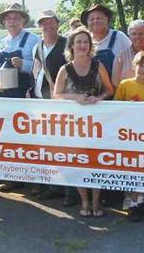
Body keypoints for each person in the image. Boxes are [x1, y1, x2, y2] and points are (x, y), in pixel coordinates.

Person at [54, 26, 114, 217]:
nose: (82, 45)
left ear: (90, 46)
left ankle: (96, 202)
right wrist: (75, 98)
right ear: (71, 45)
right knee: (79, 163)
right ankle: (84, 201)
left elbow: (109, 90)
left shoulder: (99, 66)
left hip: (97, 124)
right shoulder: (65, 69)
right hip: (74, 125)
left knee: (96, 162)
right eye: (78, 42)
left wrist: (99, 98)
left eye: (85, 42)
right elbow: (56, 95)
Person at [0, 3, 40, 192]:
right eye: (9, 18)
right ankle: (12, 177)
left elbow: (40, 67)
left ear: (23, 20)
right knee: (9, 138)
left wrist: (24, 64)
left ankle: (36, 180)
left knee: (30, 138)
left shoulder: (33, 40)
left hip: (26, 96)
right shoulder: (0, 43)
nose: (12, 21)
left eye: (16, 18)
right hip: (5, 97)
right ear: (4, 21)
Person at [31, 9, 75, 205]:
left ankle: (71, 191)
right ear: (39, 26)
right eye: (43, 23)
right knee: (48, 149)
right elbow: (36, 71)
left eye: (51, 22)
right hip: (42, 103)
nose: (47, 26)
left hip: (61, 104)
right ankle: (54, 187)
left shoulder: (67, 44)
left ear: (57, 23)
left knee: (65, 149)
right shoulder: (37, 46)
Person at [113, 51, 144, 222]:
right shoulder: (125, 85)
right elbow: (115, 107)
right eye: (141, 65)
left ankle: (141, 203)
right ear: (134, 66)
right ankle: (131, 204)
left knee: (143, 168)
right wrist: (129, 106)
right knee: (130, 168)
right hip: (128, 134)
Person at [80, 4, 131, 77]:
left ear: (107, 19)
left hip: (119, 86)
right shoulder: (84, 42)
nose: (95, 21)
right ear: (87, 23)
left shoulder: (119, 37)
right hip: (92, 87)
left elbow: (133, 61)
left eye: (99, 18)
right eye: (92, 19)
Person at [111, 19, 144, 88]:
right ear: (129, 36)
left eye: (141, 33)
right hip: (126, 97)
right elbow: (115, 82)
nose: (137, 37)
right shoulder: (122, 55)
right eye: (134, 34)